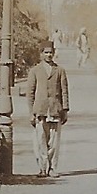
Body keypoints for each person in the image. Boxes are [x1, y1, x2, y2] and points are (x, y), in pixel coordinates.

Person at [23, 41, 70, 177]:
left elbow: (64, 91)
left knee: (54, 143)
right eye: (46, 52)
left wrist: (65, 110)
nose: (49, 55)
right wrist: (31, 112)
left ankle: (52, 168)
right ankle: (42, 168)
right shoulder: (35, 71)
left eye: (51, 52)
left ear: (54, 53)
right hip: (40, 111)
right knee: (41, 141)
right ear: (41, 54)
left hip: (55, 110)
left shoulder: (60, 70)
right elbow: (30, 93)